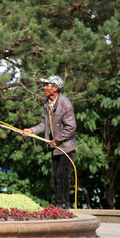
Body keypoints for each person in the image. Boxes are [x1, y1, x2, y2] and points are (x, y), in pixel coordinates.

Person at [22, 75, 77, 210]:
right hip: (55, 147)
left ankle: (63, 205)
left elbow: (71, 126)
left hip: (66, 147)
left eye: (47, 85)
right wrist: (31, 130)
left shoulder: (65, 103)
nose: (44, 87)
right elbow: (43, 124)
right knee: (54, 177)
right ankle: (56, 205)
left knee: (63, 176)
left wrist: (57, 140)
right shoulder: (47, 104)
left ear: (55, 88)